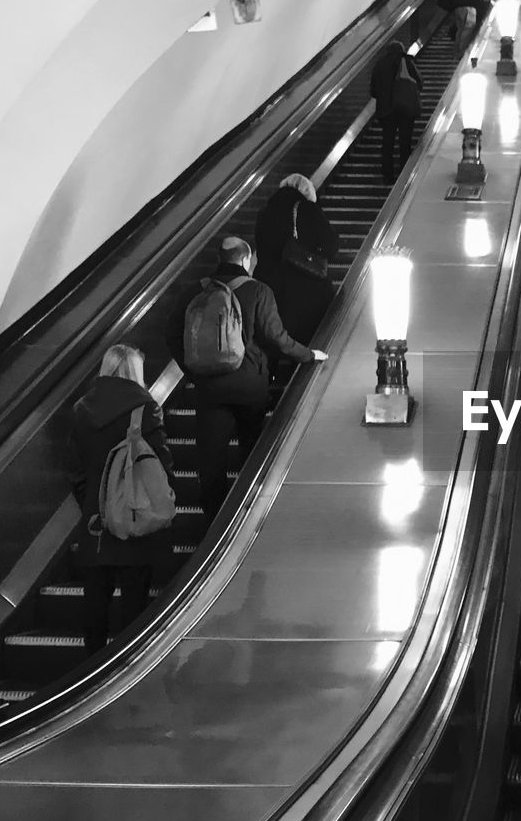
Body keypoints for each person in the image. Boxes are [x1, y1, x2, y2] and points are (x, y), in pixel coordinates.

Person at [166, 237, 327, 520]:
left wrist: (193, 371)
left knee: (211, 459)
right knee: (252, 450)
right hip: (250, 386)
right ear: (244, 260)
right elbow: (277, 338)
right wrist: (308, 355)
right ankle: (249, 512)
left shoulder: (195, 291)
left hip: (209, 388)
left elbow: (171, 334)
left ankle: (213, 524)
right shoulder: (258, 291)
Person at [69, 345, 174, 653]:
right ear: (134, 372)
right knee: (134, 598)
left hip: (95, 521)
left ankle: (90, 672)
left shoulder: (81, 410)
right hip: (135, 513)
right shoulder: (145, 408)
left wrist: (94, 504)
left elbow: (74, 468)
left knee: (95, 598)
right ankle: (125, 666)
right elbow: (161, 464)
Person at [253, 174, 339, 345]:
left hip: (269, 288)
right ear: (307, 191)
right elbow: (331, 245)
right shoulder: (307, 209)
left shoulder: (265, 212)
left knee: (274, 337)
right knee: (306, 338)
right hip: (305, 289)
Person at [369, 41, 425, 182]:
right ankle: (404, 175)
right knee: (404, 142)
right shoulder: (405, 61)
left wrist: (384, 96)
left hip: (386, 111)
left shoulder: (379, 65)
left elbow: (373, 91)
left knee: (387, 142)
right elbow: (419, 83)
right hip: (405, 108)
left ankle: (387, 175)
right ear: (401, 50)